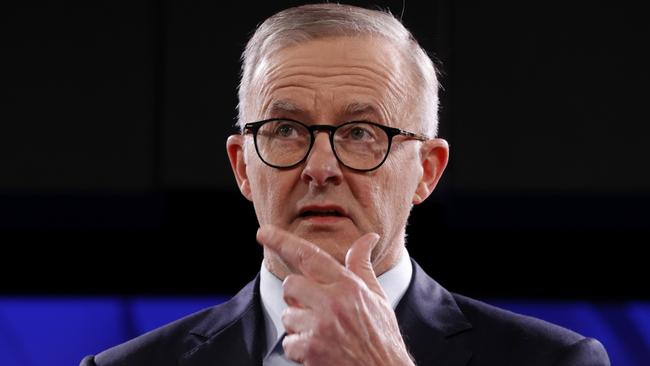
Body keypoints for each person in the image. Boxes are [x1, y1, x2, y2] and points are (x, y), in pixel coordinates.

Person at [81, 3, 610, 365]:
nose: (320, 166)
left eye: (361, 133)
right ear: (243, 167)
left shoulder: (555, 360)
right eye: (285, 130)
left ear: (427, 170)